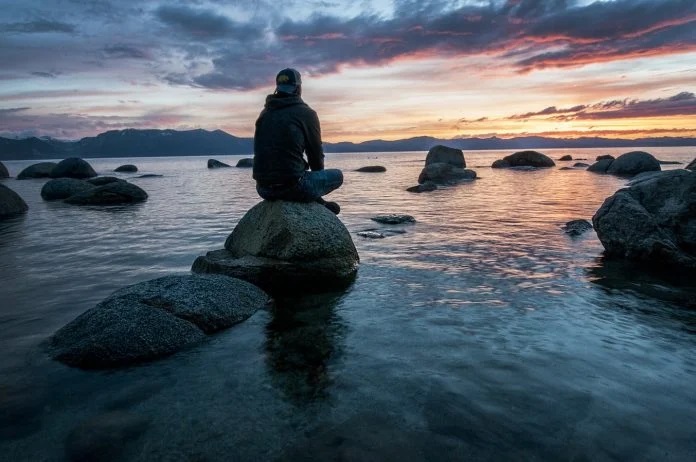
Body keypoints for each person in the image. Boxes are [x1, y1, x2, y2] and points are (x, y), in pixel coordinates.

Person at [253, 68, 343, 214]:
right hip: (293, 187)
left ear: (277, 88)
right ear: (298, 88)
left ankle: (318, 200)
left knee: (297, 173)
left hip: (263, 189)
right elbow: (315, 155)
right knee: (338, 175)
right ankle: (317, 201)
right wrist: (316, 184)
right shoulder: (306, 113)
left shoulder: (265, 113)